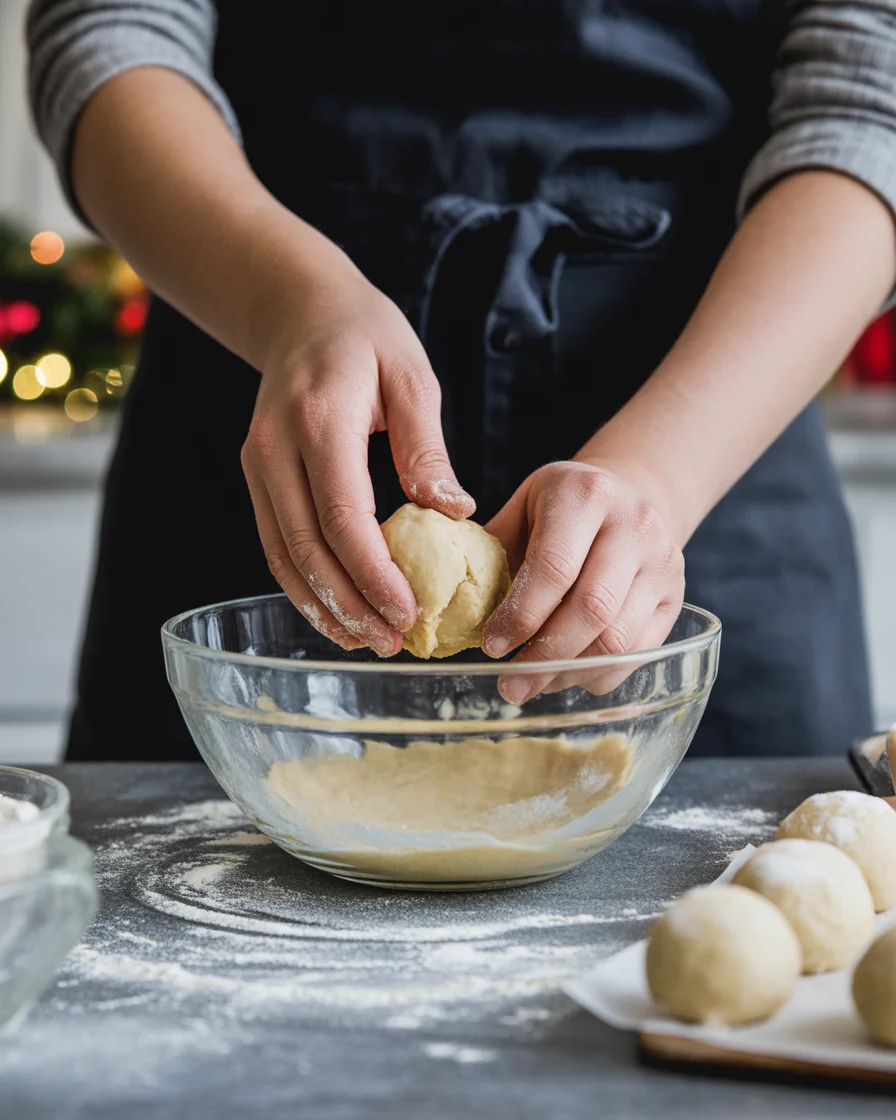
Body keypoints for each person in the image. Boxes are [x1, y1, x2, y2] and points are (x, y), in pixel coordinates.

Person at [27, 0, 896, 762]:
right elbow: (110, 29)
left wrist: (661, 475)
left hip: (713, 423)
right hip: (259, 388)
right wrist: (290, 302)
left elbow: (871, 98)